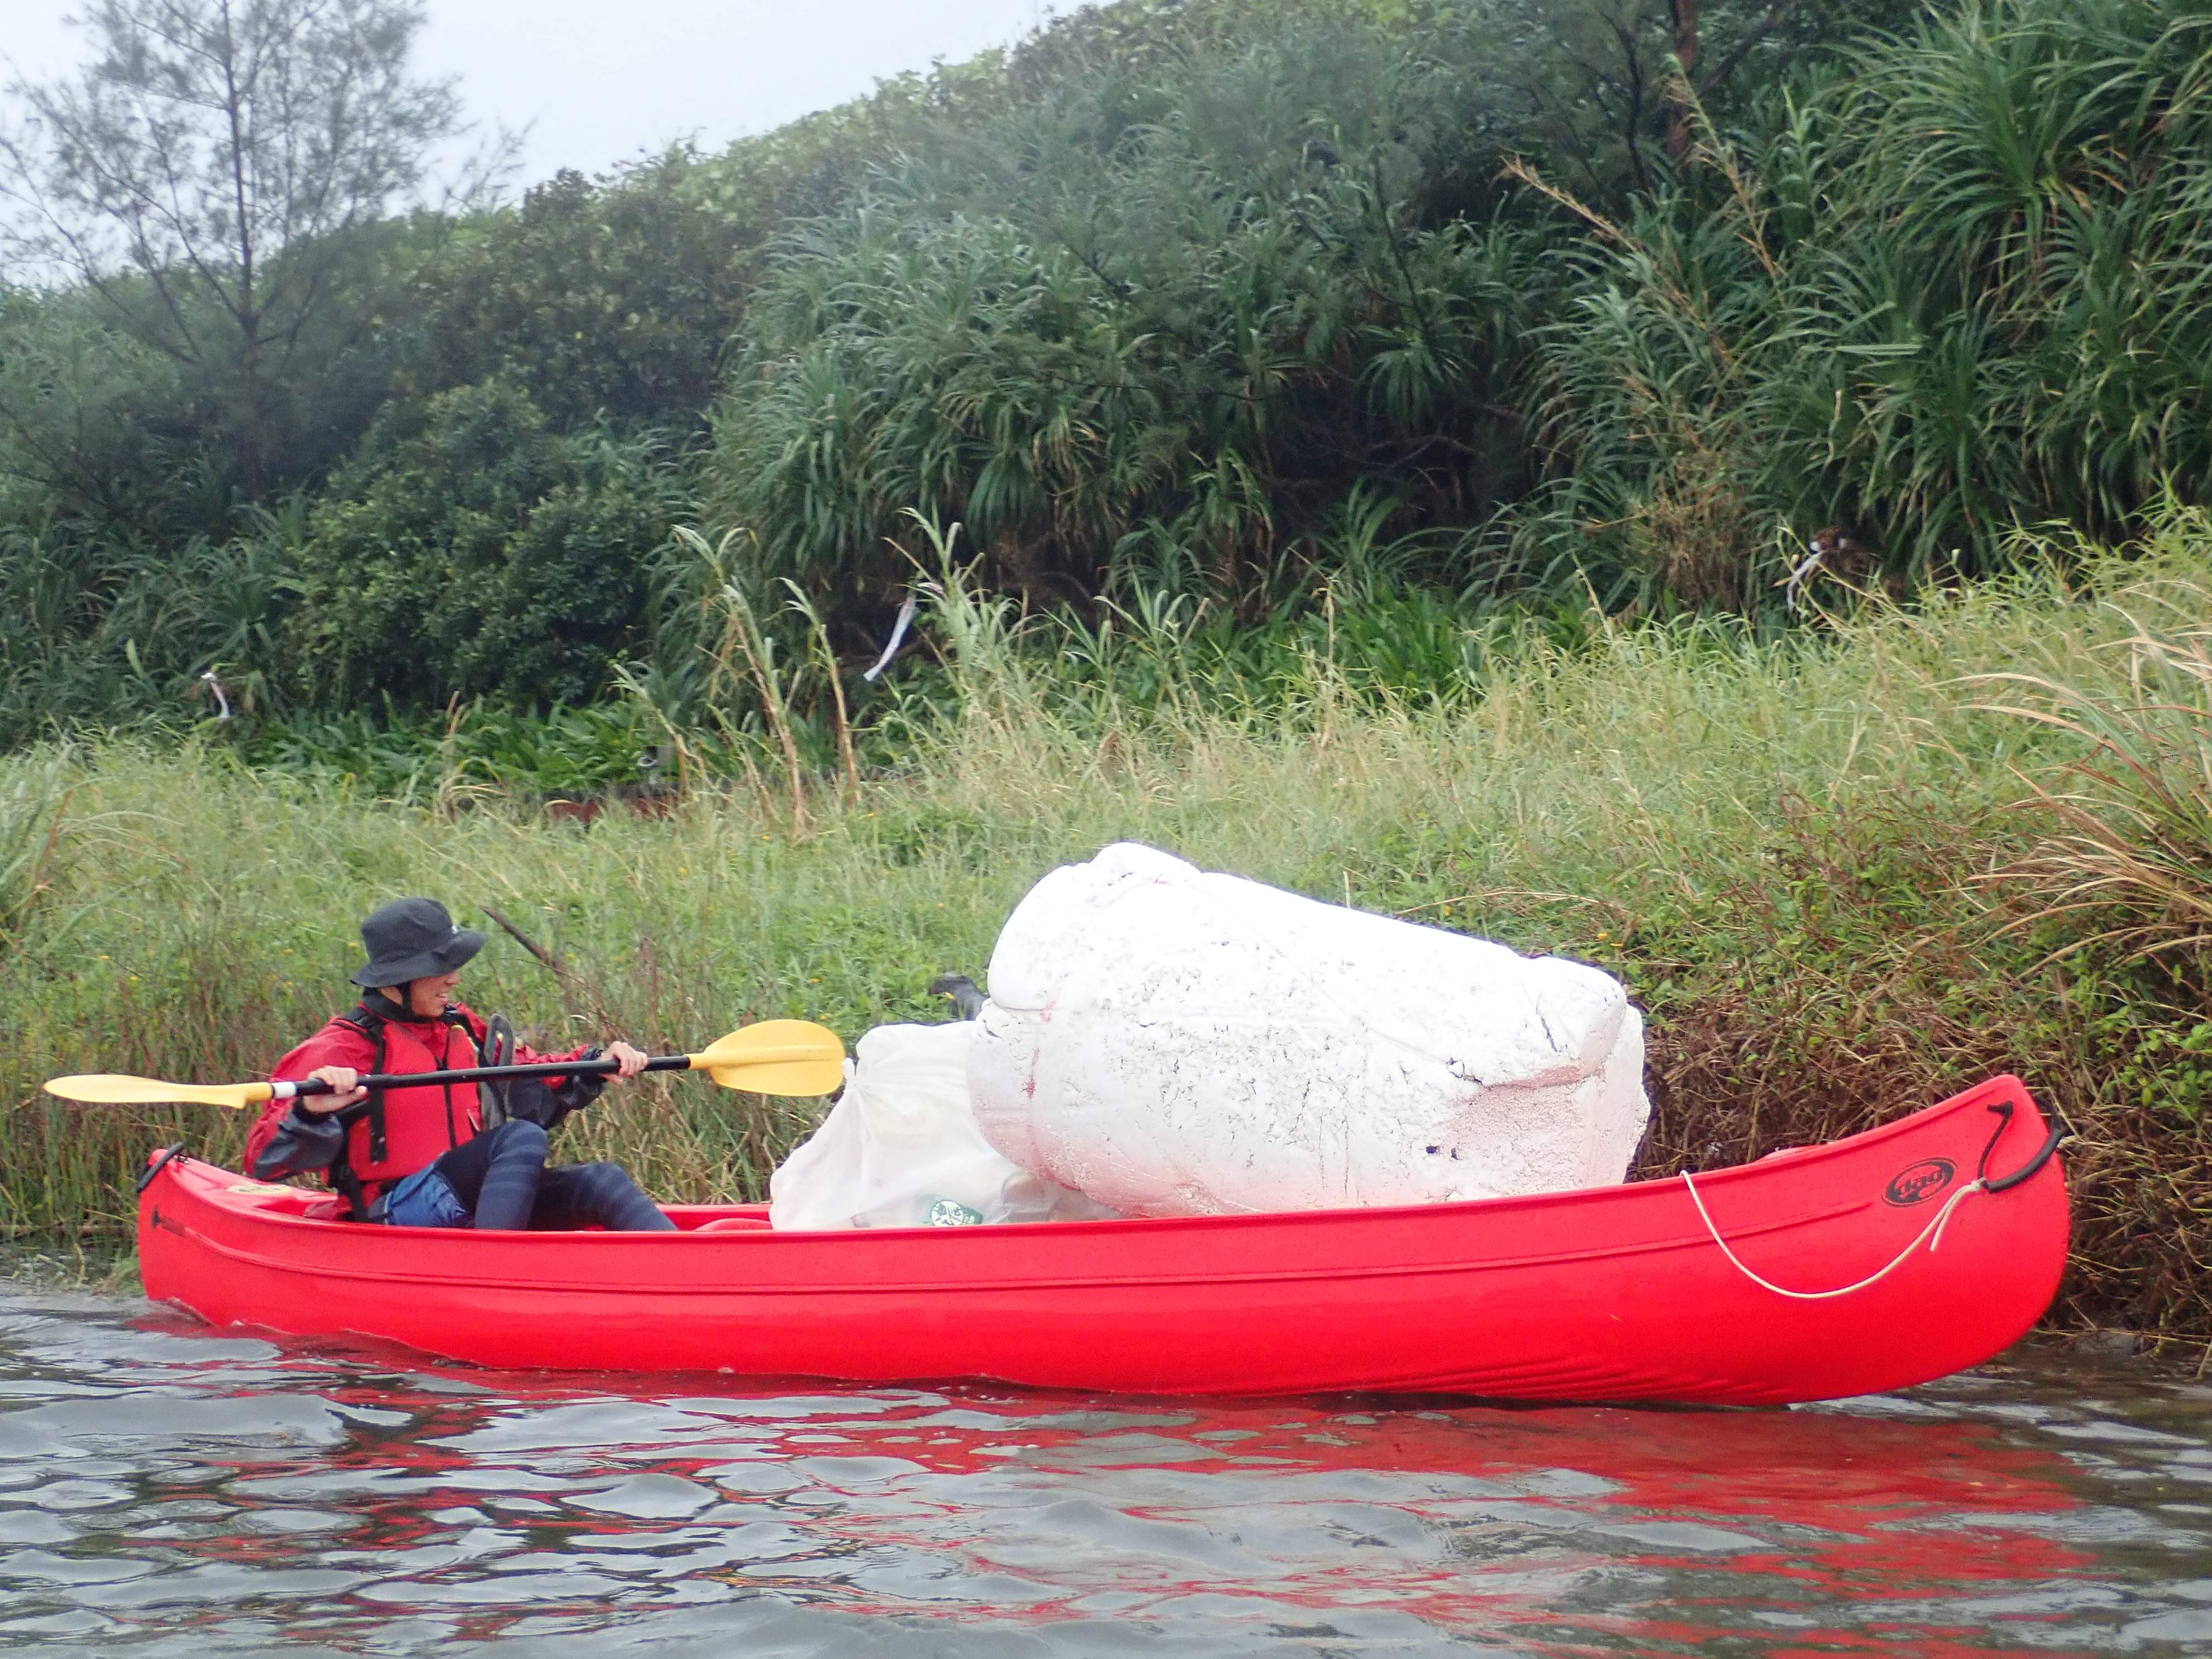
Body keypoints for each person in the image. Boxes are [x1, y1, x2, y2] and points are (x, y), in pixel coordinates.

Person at [245, 898, 676, 1232]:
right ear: (398, 978)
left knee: (601, 1181)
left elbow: (529, 1072)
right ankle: (493, 1279)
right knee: (520, 1138)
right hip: (392, 1213)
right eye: (441, 967)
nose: (454, 978)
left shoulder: (460, 1027)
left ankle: (687, 1269)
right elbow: (263, 1160)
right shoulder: (341, 1047)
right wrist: (309, 1112)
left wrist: (593, 1063)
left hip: (469, 1201)